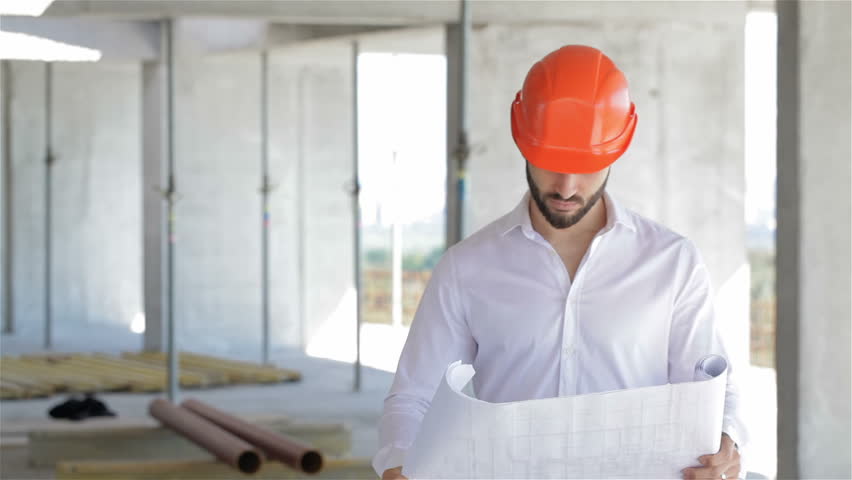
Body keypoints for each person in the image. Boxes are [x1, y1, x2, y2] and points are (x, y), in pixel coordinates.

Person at [374, 45, 747, 480]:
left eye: (586, 167)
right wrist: (400, 464)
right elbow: (415, 397)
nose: (567, 188)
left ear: (616, 150)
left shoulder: (672, 263)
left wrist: (729, 440)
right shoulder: (466, 268)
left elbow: (717, 393)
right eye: (551, 163)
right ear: (522, 141)